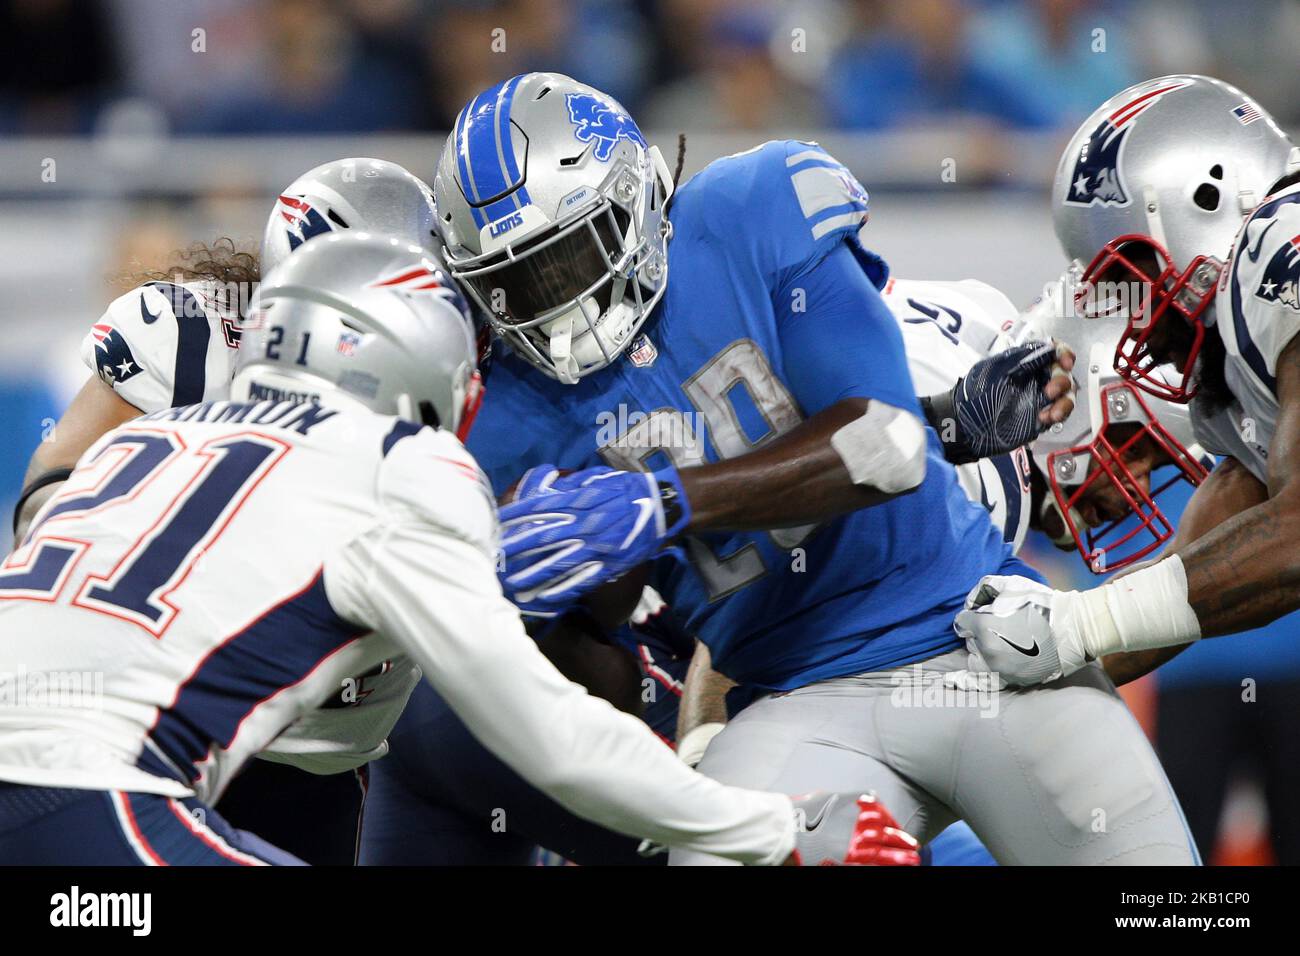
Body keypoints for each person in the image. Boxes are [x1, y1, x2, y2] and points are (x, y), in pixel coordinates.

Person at [433, 72, 1196, 864]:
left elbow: (887, 446)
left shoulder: (750, 208)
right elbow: (613, 689)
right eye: (513, 284)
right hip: (788, 698)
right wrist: (546, 619)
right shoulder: (505, 417)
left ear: (630, 197)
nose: (554, 309)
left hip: (974, 639)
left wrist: (656, 503)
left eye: (565, 262)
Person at [0, 233, 915, 867]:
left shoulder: (147, 441)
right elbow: (547, 736)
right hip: (79, 791)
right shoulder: (398, 461)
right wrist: (773, 829)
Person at [7, 157, 451, 866]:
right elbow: (51, 491)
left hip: (320, 753)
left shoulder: (464, 377)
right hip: (155, 725)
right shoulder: (187, 340)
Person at [952, 75, 1300, 689]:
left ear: (1207, 199)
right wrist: (1014, 678)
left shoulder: (1279, 242)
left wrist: (1082, 623)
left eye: (1132, 278)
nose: (1133, 316)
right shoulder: (1238, 377)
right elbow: (1182, 587)